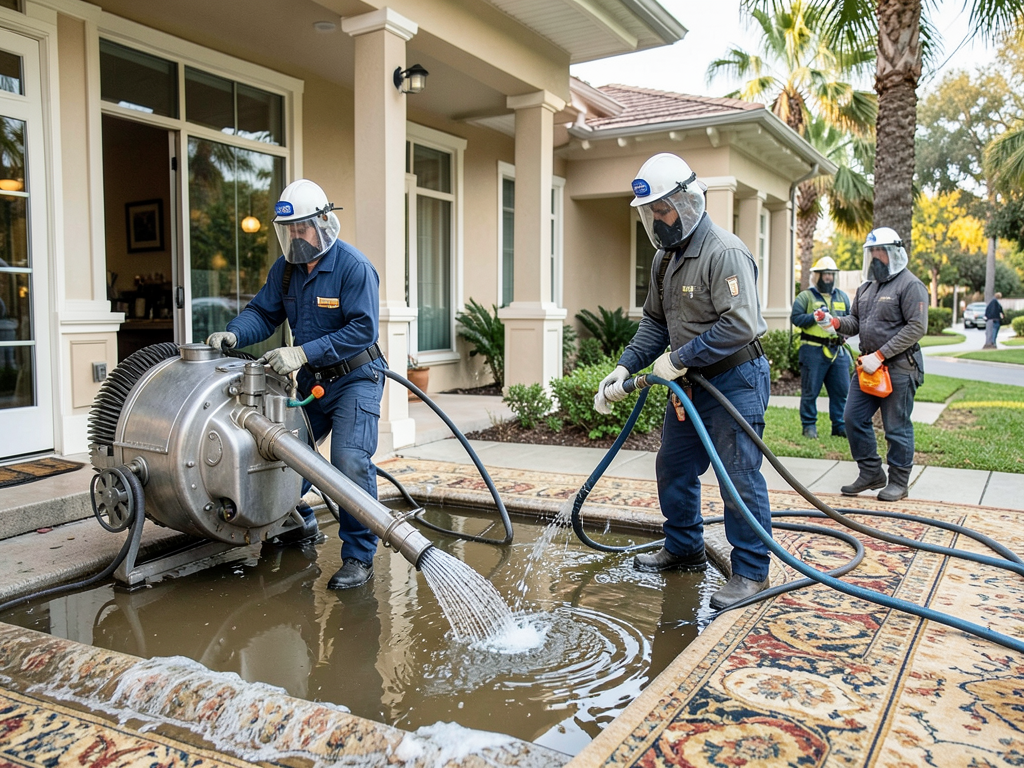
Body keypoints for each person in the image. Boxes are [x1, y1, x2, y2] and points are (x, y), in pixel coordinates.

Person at [594, 152, 774, 610]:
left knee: (737, 475)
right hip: (690, 385)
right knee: (673, 466)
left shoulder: (724, 252)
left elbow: (740, 325)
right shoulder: (663, 261)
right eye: (651, 213)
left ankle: (751, 571)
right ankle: (685, 548)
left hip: (735, 379)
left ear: (687, 201)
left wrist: (679, 359)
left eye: (663, 209)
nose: (658, 220)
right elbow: (655, 321)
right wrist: (625, 365)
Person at [206, 178, 386, 589]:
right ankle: (295, 517)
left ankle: (359, 557)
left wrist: (303, 353)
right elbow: (263, 313)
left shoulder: (353, 267)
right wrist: (234, 334)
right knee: (285, 452)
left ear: (323, 222)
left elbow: (363, 330)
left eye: (301, 228)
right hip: (312, 383)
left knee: (349, 461)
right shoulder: (285, 270)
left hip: (356, 377)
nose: (295, 237)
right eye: (288, 230)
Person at [815, 227, 927, 502]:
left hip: (899, 367)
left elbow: (916, 327)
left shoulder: (911, 285)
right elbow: (856, 321)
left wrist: (880, 355)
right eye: (872, 252)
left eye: (881, 252)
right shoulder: (867, 288)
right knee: (852, 418)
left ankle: (899, 482)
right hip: (868, 367)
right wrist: (834, 323)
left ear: (895, 253)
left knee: (896, 427)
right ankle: (871, 472)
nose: (876, 257)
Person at [791, 257, 852, 439]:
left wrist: (845, 334)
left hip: (837, 351)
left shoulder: (842, 297)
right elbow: (796, 319)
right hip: (813, 350)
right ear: (817, 276)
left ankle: (839, 426)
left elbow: (850, 321)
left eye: (830, 274)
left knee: (842, 390)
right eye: (824, 274)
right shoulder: (805, 296)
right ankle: (809, 426)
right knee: (810, 391)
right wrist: (814, 316)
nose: (828, 278)